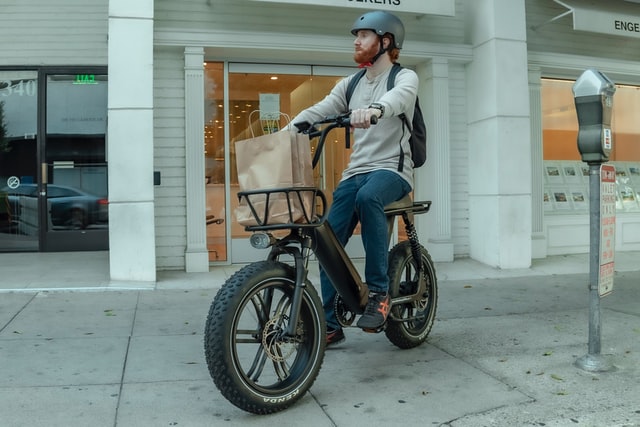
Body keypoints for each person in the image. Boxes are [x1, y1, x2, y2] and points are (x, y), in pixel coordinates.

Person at [290, 11, 419, 346]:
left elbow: (398, 100)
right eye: (356, 36)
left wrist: (376, 110)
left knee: (368, 198)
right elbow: (321, 108)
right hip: (356, 172)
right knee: (325, 238)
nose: (356, 41)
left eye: (363, 35)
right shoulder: (350, 83)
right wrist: (289, 130)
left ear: (385, 41)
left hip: (392, 170)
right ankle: (330, 323)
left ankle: (379, 293)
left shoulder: (404, 78)